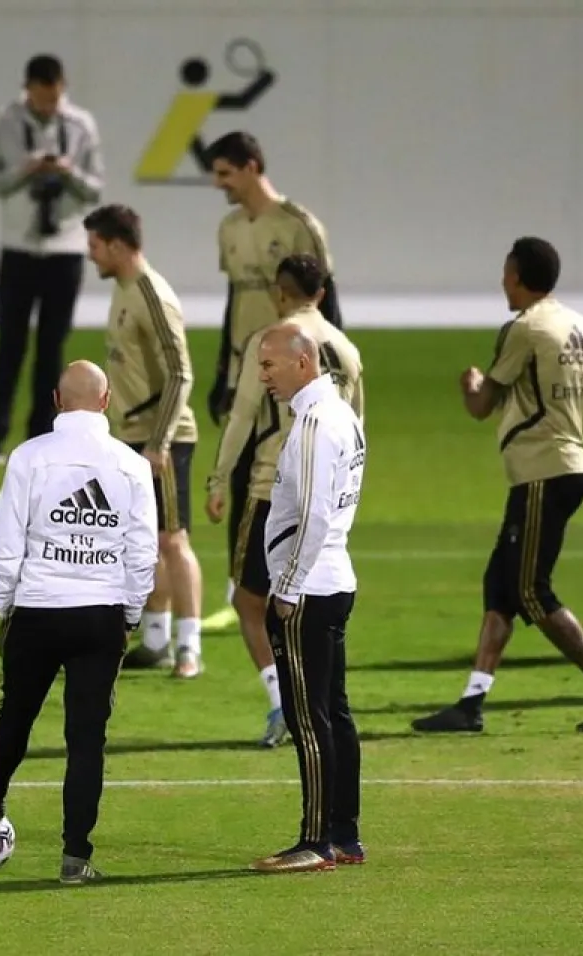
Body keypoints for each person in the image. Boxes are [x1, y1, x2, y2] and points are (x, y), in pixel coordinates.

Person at [411, 237, 583, 735]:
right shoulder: (581, 327)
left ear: (519, 277)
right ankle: (471, 702)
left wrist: (470, 386)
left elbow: (483, 408)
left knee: (528, 590)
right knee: (499, 585)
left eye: (506, 273)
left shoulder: (522, 330)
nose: (502, 282)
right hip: (567, 469)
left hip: (543, 471)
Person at [0, 360, 158, 885]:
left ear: (54, 400)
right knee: (87, 739)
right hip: (100, 616)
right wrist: (131, 613)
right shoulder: (132, 466)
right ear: (106, 399)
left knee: (17, 711)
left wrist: (6, 605)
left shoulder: (29, 457)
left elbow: (6, 542)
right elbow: (142, 552)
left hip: (39, 608)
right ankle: (76, 857)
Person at [207, 254, 364, 748]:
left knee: (251, 602)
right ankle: (306, 705)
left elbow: (242, 416)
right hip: (334, 490)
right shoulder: (346, 349)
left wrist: (217, 477)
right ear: (321, 292)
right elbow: (359, 428)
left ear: (281, 292)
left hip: (271, 487)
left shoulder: (270, 341)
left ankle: (284, 703)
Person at [201, 131, 340, 635]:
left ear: (252, 166)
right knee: (242, 479)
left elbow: (329, 305)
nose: (220, 185)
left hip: (292, 377)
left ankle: (298, 584)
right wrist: (223, 373)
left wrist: (330, 377)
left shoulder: (300, 226)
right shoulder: (230, 228)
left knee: (290, 477)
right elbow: (232, 302)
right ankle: (243, 590)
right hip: (247, 371)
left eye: (225, 174)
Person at [246, 322, 365, 874]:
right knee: (334, 714)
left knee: (308, 718)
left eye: (269, 364)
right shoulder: (341, 414)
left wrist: (287, 588)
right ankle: (344, 834)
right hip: (334, 579)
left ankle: (316, 841)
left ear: (302, 361)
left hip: (309, 590)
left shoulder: (315, 424)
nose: (262, 375)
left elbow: (314, 513)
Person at [0, 55, 106, 468]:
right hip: (19, 249)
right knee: (9, 348)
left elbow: (95, 188)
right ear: (28, 89)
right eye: (40, 97)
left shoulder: (80, 125)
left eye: (53, 96)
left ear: (62, 86)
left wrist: (68, 172)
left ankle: (42, 440)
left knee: (51, 351)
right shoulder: (5, 122)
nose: (47, 105)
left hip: (65, 249)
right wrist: (24, 171)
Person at [83, 204, 204, 678]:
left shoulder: (153, 295)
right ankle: (155, 639)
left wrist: (159, 443)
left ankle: (189, 648)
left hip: (161, 439)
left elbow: (180, 372)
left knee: (173, 540)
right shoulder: (123, 291)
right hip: (131, 435)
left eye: (94, 246)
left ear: (116, 245)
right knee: (142, 540)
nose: (91, 256)